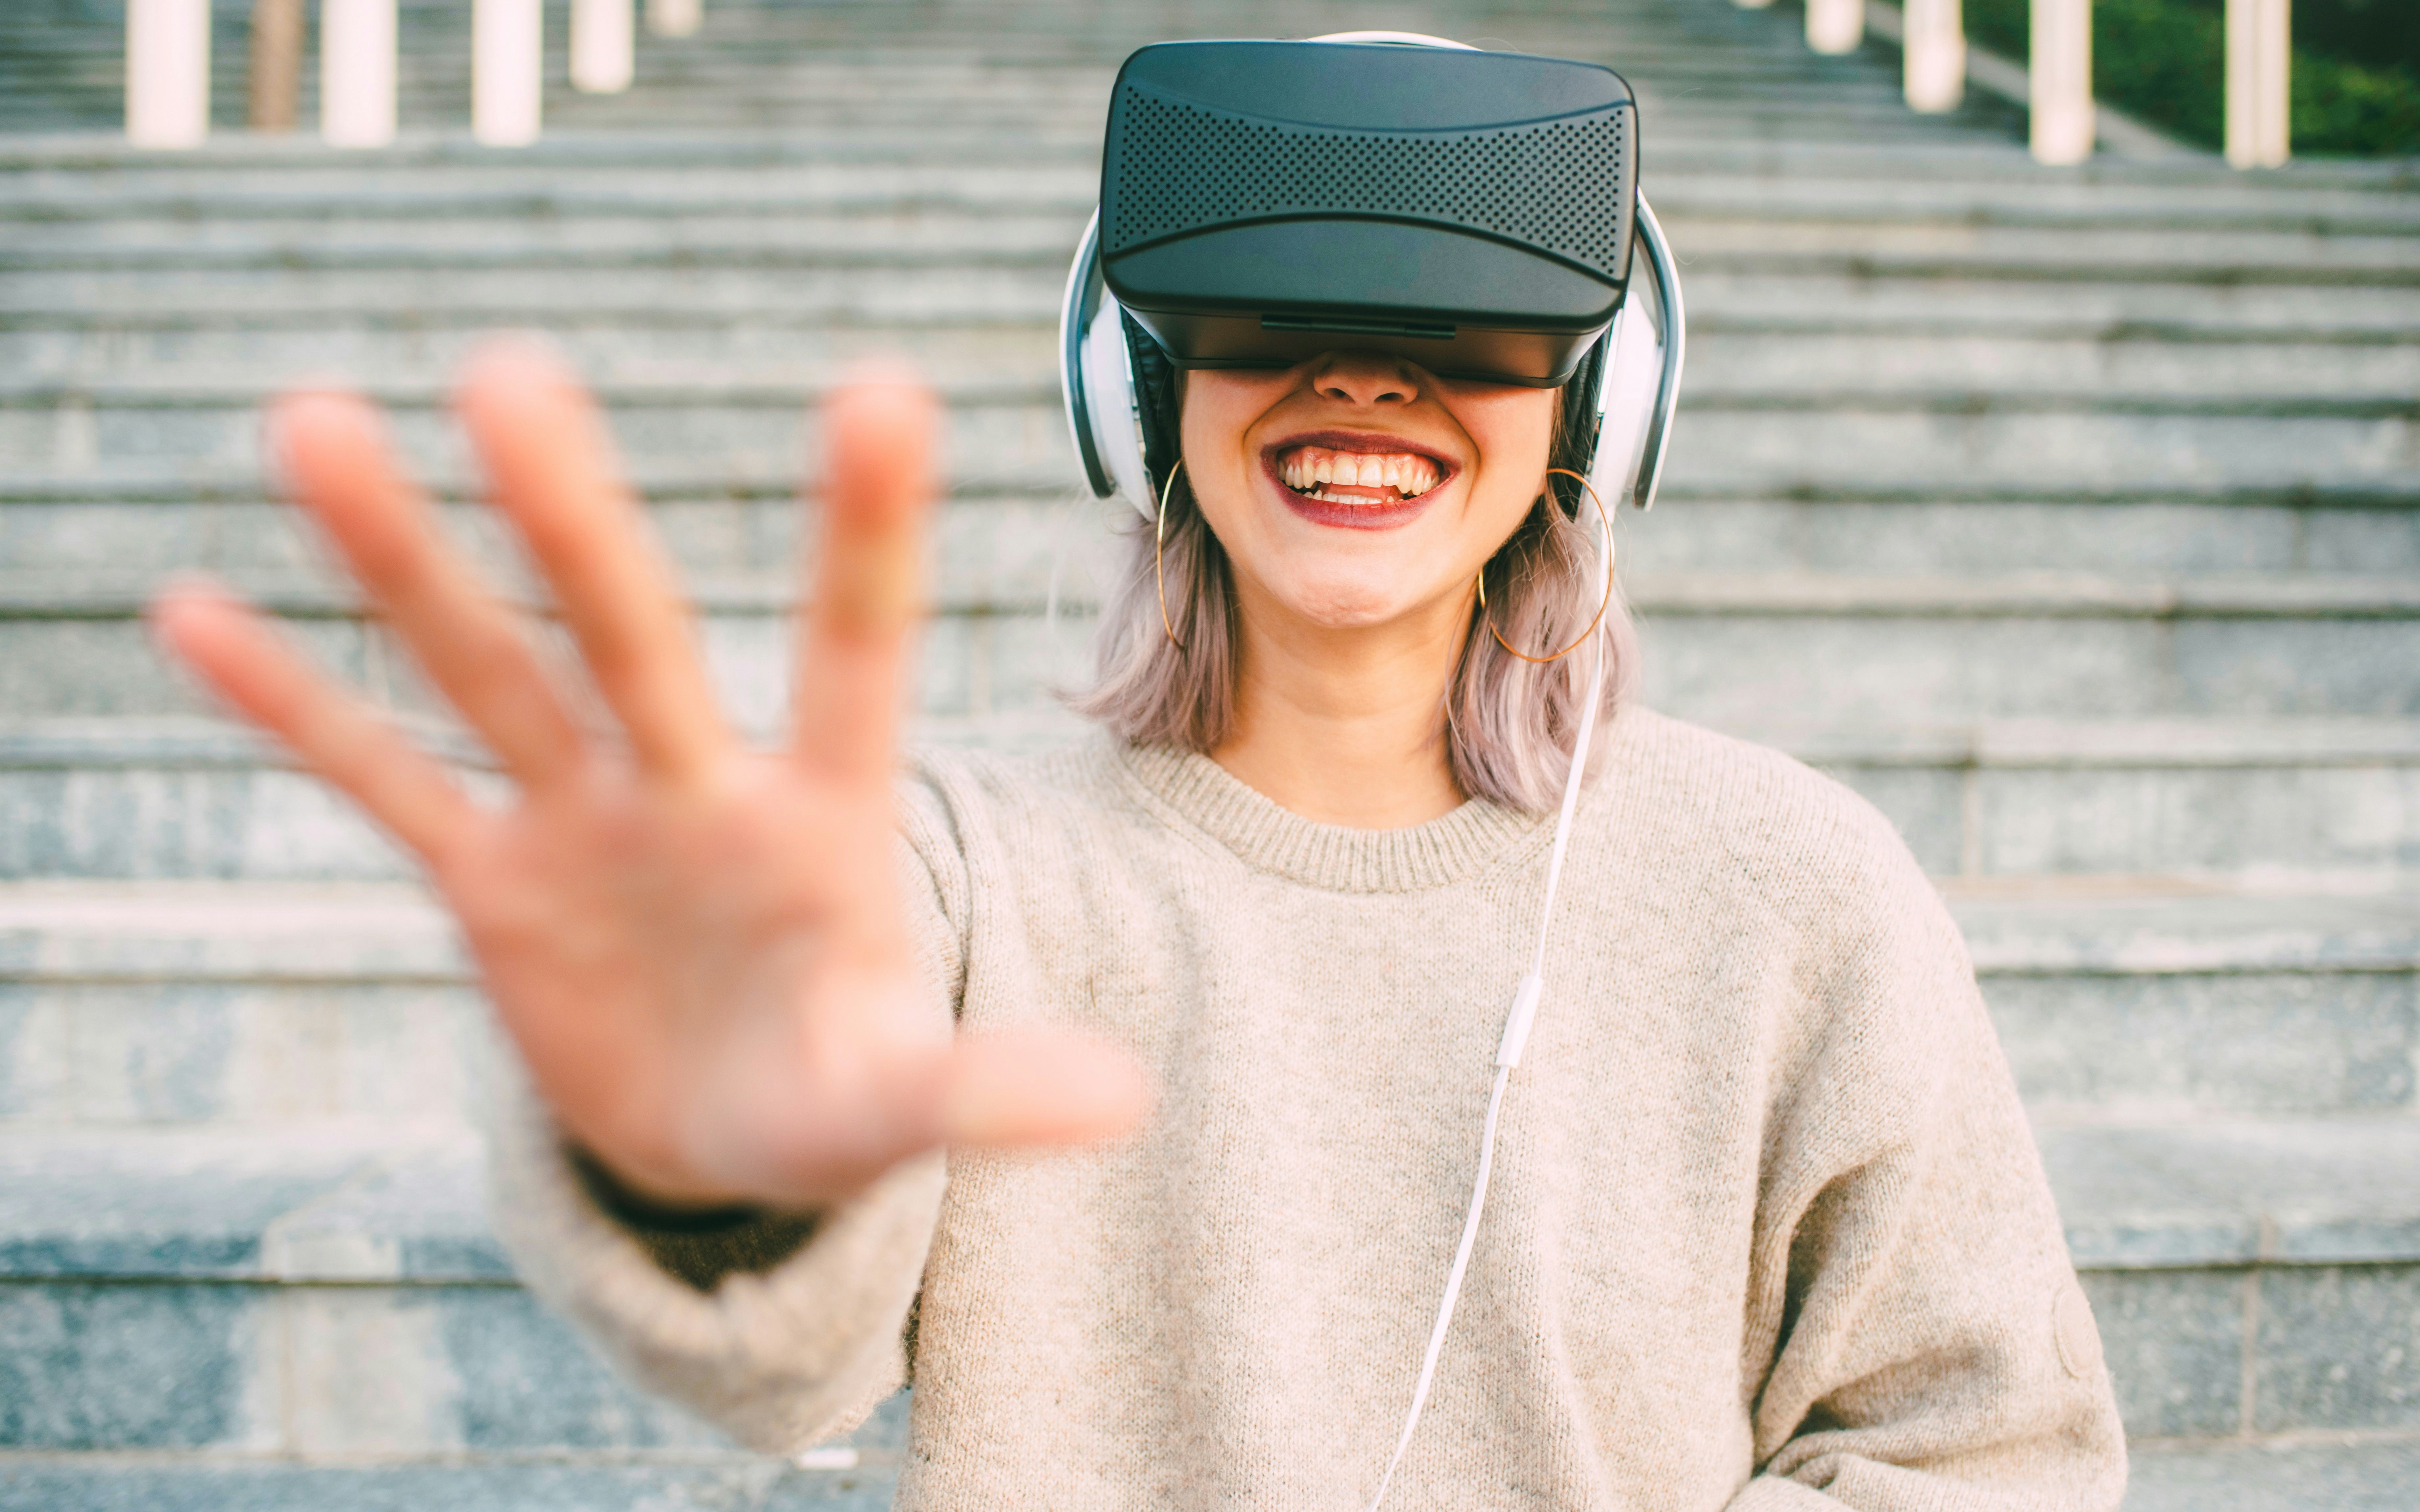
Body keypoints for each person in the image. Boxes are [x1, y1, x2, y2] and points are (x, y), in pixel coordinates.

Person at [153, 226, 2126, 1512]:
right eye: (1275, 300)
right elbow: (777, 1361)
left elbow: (1992, 1450)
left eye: (1463, 307)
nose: (1365, 372)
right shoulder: (942, 864)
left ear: (1597, 403)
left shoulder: (1790, 882)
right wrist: (705, 1171)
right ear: (1137, 382)